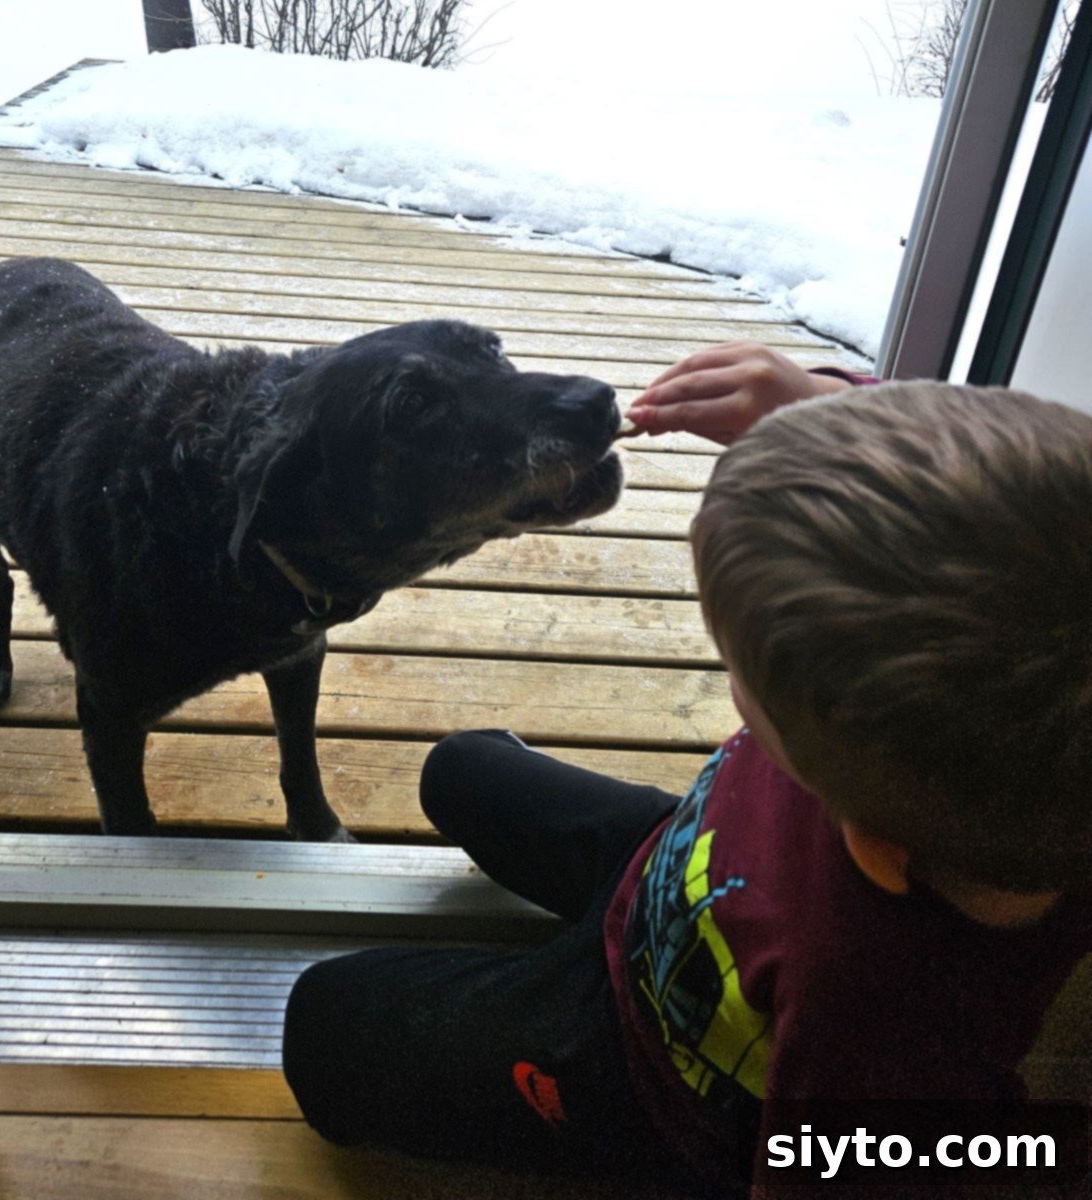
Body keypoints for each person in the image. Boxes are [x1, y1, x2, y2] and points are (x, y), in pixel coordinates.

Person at [282, 342, 1092, 1193]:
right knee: (459, 769)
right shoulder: (951, 755)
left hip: (646, 1059)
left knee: (323, 1024)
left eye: (741, 678)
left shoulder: (872, 1027)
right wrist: (818, 403)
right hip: (687, 861)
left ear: (869, 842)